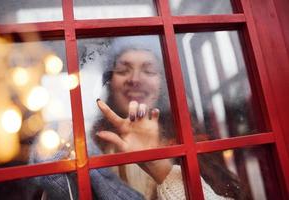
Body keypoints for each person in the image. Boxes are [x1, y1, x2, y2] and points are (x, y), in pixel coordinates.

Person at [91, 35, 236, 199]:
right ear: (110, 83)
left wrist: (159, 166)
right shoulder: (91, 147)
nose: (135, 79)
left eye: (149, 71)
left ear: (163, 83)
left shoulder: (192, 140)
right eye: (123, 70)